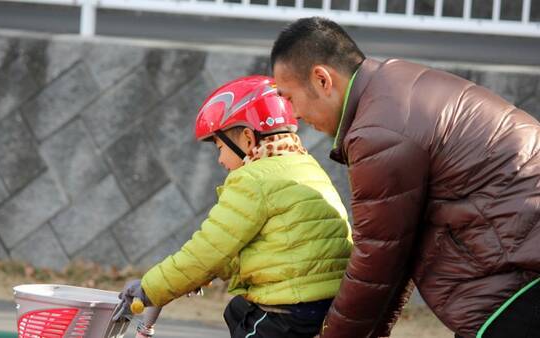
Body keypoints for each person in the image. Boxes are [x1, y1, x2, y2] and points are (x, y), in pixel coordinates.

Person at [270, 16, 540, 338]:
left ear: (322, 80)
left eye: (288, 98)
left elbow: (377, 260)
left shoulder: (379, 131)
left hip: (522, 272)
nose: (293, 114)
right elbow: (392, 253)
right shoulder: (393, 89)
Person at [116, 75, 353, 338]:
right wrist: (204, 274)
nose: (219, 160)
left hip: (287, 310)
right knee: (237, 311)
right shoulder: (304, 166)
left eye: (219, 147)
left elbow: (207, 250)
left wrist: (149, 290)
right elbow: (261, 246)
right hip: (326, 303)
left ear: (248, 139)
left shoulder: (252, 179)